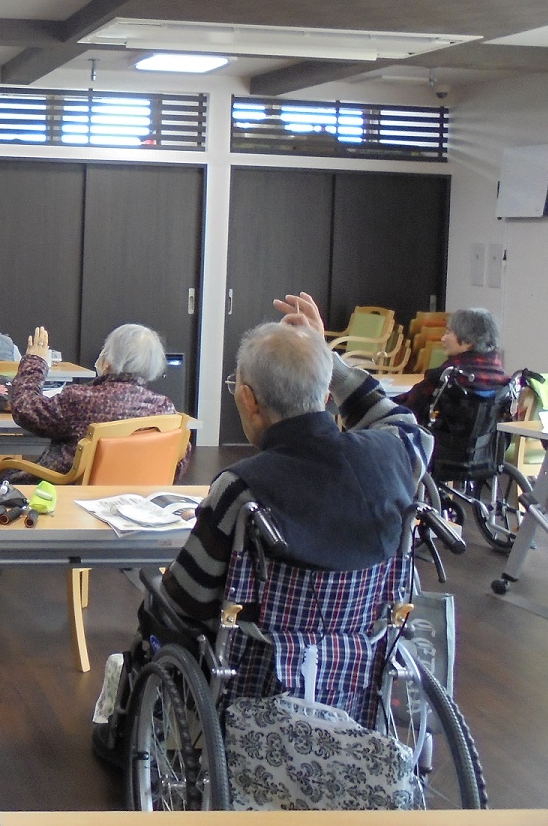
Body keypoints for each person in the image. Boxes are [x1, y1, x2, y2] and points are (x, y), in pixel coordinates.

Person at [92, 291, 431, 757]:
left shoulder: (241, 487)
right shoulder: (396, 455)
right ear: (327, 393)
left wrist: (159, 593)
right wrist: (326, 356)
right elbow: (402, 420)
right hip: (357, 673)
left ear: (249, 400)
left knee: (158, 611)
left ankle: (122, 739)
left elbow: (186, 607)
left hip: (257, 690)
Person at [7, 323, 176, 479]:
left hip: (64, 496)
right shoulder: (165, 410)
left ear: (108, 361)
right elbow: (176, 464)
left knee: (6, 473)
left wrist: (35, 361)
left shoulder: (81, 399)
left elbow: (25, 408)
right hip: (133, 503)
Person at [395, 307, 505, 425]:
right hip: (486, 443)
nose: (443, 338)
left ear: (468, 342)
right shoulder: (503, 381)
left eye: (448, 332)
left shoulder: (446, 377)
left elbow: (407, 408)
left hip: (438, 441)